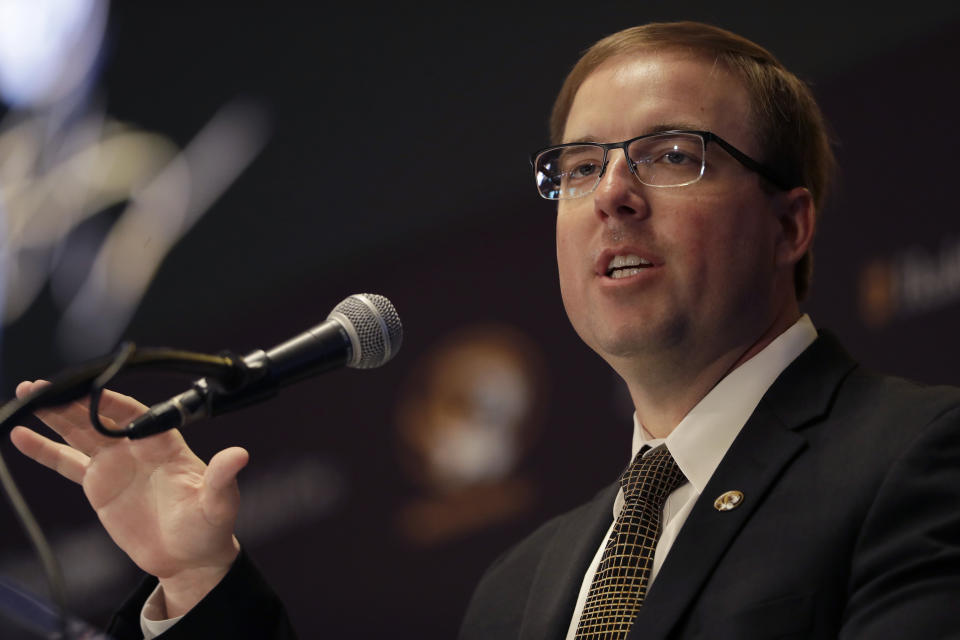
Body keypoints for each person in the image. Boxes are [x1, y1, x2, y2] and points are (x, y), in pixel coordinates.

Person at [10, 20, 960, 639]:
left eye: (674, 154)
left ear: (790, 224)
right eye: (581, 168)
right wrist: (201, 579)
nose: (614, 195)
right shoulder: (519, 587)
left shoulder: (919, 457)